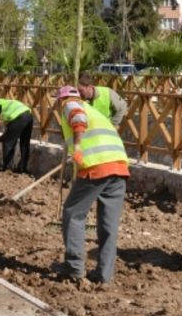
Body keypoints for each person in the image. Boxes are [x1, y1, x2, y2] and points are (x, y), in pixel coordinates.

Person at [54, 85, 130, 284]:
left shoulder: (70, 103)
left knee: (73, 213)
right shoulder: (94, 110)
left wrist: (77, 147)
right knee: (108, 224)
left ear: (60, 99)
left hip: (97, 166)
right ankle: (104, 275)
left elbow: (78, 121)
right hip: (120, 167)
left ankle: (74, 268)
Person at [0, 94, 34, 173]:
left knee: (8, 143)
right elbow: (10, 128)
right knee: (24, 143)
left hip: (18, 118)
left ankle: (8, 168)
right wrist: (4, 136)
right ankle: (22, 168)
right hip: (29, 116)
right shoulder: (7, 102)